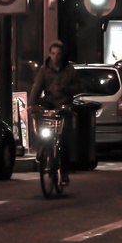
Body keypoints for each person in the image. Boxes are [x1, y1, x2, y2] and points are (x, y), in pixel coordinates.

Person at [28, 40, 81, 179]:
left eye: (58, 54)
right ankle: (41, 149)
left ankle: (64, 171)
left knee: (64, 138)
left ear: (62, 55)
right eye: (53, 54)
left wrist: (65, 89)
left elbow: (78, 87)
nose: (56, 57)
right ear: (49, 54)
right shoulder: (44, 70)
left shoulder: (69, 70)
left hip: (64, 106)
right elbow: (37, 87)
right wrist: (31, 105)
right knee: (41, 128)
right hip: (50, 104)